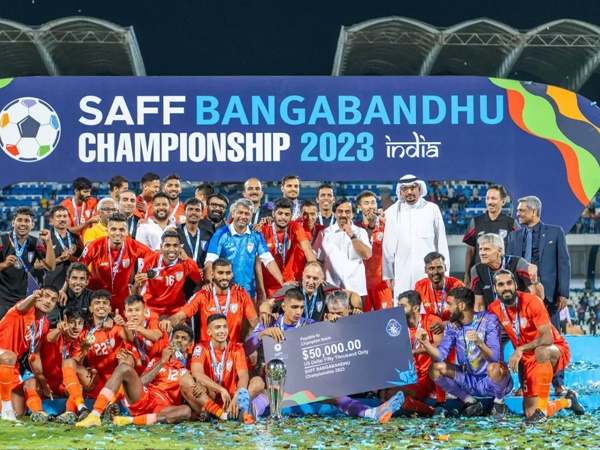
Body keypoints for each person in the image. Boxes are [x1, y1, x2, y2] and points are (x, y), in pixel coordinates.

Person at [245, 296, 405, 424]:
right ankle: (250, 412)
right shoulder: (269, 323)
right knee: (263, 388)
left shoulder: (308, 324)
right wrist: (261, 335)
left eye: (301, 307)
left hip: (302, 382)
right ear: (284, 306)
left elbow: (330, 337)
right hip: (276, 382)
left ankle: (373, 413)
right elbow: (246, 349)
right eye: (294, 307)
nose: (298, 312)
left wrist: (332, 323)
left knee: (334, 394)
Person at [488, 270, 585, 423]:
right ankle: (568, 401)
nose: (506, 288)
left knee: (541, 352)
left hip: (553, 348)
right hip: (527, 360)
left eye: (509, 283)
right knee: (529, 413)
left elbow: (547, 338)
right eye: (501, 284)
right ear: (495, 289)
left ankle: (541, 411)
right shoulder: (494, 309)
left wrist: (520, 349)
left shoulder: (532, 301)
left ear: (515, 285)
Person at [418, 286, 514, 420]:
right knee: (435, 369)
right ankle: (471, 402)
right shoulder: (453, 325)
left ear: (462, 306)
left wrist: (480, 343)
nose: (447, 308)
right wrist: (426, 343)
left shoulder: (489, 320)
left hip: (491, 380)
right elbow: (440, 355)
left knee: (495, 368)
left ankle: (499, 402)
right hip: (469, 380)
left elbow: (495, 357)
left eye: (450, 304)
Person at [77, 324, 194, 428]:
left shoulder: (189, 368)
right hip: (145, 398)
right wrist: (162, 362)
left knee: (185, 411)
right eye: (176, 337)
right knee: (124, 367)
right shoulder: (156, 360)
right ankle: (95, 415)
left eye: (183, 339)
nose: (179, 341)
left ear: (190, 345)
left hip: (164, 408)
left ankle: (130, 421)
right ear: (171, 340)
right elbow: (142, 382)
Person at [179, 314, 265, 423]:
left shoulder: (237, 348)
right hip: (211, 396)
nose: (222, 331)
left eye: (225, 327)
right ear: (209, 332)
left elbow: (243, 376)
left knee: (258, 382)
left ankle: (233, 409)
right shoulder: (201, 347)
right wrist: (221, 389)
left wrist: (237, 396)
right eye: (217, 327)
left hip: (231, 397)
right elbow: (197, 373)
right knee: (185, 380)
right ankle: (221, 413)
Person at [507, 196, 570, 332]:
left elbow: (563, 264)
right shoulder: (513, 236)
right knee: (525, 334)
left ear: (533, 212)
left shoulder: (555, 232)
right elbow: (509, 266)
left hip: (548, 296)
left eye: (521, 210)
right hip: (521, 294)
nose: (517, 214)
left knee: (552, 335)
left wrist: (563, 293)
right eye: (518, 210)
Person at [382, 174, 450, 300]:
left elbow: (441, 242)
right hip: (402, 272)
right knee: (403, 306)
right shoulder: (391, 213)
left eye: (412, 188)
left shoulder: (432, 209)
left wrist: (445, 272)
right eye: (405, 189)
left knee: (428, 306)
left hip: (429, 272)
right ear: (400, 191)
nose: (409, 192)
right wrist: (388, 274)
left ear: (420, 188)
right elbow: (387, 247)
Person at [63, 290, 127, 422]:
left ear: (109, 308)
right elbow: (75, 365)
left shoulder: (117, 329)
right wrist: (83, 353)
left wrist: (123, 325)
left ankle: (110, 405)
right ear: (91, 309)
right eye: (97, 303)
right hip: (95, 381)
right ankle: (81, 408)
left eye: (104, 303)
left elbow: (131, 343)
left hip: (115, 384)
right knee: (68, 363)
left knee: (127, 364)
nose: (101, 305)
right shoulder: (84, 334)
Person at [160, 258, 258, 343]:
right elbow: (179, 316)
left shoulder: (241, 293)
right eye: (220, 273)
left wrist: (265, 323)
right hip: (206, 349)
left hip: (232, 349)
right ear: (212, 274)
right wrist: (168, 321)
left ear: (232, 274)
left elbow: (254, 321)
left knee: (253, 354)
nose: (224, 277)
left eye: (228, 273)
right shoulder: (203, 294)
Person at [379, 290, 445, 417]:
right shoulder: (396, 327)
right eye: (398, 305)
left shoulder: (432, 320)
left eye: (402, 306)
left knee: (392, 393)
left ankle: (433, 410)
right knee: (385, 392)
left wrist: (414, 351)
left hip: (428, 377)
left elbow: (439, 345)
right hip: (407, 377)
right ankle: (431, 411)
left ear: (415, 307)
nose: (398, 309)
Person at [204, 199, 285, 300]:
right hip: (225, 291)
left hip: (249, 292)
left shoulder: (256, 235)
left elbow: (268, 260)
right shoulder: (221, 234)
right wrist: (208, 283)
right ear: (233, 213)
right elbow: (210, 260)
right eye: (240, 212)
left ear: (251, 216)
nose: (243, 216)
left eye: (247, 214)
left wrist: (283, 283)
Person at [0, 288, 57, 421]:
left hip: (11, 366)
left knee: (19, 411)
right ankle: (6, 411)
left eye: (53, 300)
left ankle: (35, 412)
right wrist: (33, 297)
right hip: (4, 357)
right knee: (9, 356)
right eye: (46, 296)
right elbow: (22, 305)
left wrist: (43, 383)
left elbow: (35, 354)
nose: (49, 301)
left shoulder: (44, 324)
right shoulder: (25, 310)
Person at [80, 213, 151, 312]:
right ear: (108, 231)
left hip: (121, 297)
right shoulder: (95, 246)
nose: (117, 233)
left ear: (127, 232)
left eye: (121, 230)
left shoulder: (134, 246)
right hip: (96, 296)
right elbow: (78, 268)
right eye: (113, 229)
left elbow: (156, 259)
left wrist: (147, 274)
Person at [26, 307, 87, 423]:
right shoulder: (55, 334)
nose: (76, 327)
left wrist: (83, 353)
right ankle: (38, 413)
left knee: (78, 386)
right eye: (72, 322)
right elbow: (49, 338)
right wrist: (59, 329)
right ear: (65, 322)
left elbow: (75, 364)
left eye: (80, 323)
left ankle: (70, 413)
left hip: (62, 384)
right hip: (45, 382)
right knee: (29, 383)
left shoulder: (80, 342)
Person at [259, 261, 362, 324]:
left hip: (316, 337)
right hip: (292, 335)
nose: (311, 282)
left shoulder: (326, 289)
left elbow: (353, 295)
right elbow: (267, 304)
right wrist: (265, 313)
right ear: (303, 275)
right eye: (308, 277)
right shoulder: (292, 289)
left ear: (322, 279)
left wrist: (357, 308)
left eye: (315, 278)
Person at [0, 207, 56, 319]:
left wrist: (48, 242)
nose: (23, 224)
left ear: (32, 225)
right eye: (19, 220)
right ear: (13, 223)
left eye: (27, 221)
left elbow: (51, 266)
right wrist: (4, 264)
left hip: (21, 301)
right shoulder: (2, 240)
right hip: (1, 299)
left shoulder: (35, 242)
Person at [134, 230, 202, 318]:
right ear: (161, 247)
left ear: (180, 247)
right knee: (152, 326)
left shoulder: (187, 262)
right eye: (167, 245)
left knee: (183, 327)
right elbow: (138, 287)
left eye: (175, 245)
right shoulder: (148, 262)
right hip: (152, 306)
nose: (172, 249)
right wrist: (136, 285)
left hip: (176, 306)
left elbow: (200, 283)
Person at [314, 197, 371, 297]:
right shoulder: (324, 234)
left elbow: (367, 255)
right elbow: (317, 260)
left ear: (353, 214)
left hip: (356, 290)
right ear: (335, 213)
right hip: (331, 289)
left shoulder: (361, 232)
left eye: (347, 212)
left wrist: (351, 234)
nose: (343, 215)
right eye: (340, 211)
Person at [463, 185, 519, 286]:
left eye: (493, 198)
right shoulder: (476, 222)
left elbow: (519, 249)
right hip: (480, 275)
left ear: (503, 201)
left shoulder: (511, 223)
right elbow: (470, 251)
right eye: (487, 198)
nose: (489, 202)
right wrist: (467, 275)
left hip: (504, 275)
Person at [470, 233, 543, 311]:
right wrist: (480, 319)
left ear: (499, 251)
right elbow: (479, 303)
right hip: (495, 314)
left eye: (487, 249)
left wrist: (534, 280)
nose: (482, 253)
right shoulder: (476, 270)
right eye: (480, 249)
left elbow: (538, 298)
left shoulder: (518, 263)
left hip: (521, 312)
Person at [260, 197, 315, 297]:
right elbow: (257, 264)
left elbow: (307, 250)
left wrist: (315, 274)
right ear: (273, 213)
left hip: (289, 285)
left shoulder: (295, 227)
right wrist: (261, 293)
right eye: (280, 213)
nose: (283, 217)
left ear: (291, 215)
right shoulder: (263, 230)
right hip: (267, 286)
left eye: (287, 214)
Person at [355, 190, 392, 311]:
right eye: (366, 203)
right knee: (363, 320)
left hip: (382, 284)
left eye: (373, 202)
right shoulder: (355, 228)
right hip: (362, 285)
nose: (370, 206)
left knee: (386, 319)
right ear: (359, 207)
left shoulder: (385, 225)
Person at [414, 252, 463, 330]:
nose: (435, 272)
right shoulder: (420, 286)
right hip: (432, 329)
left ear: (445, 268)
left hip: (454, 328)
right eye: (431, 268)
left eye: (439, 268)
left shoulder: (456, 285)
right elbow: (413, 311)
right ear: (425, 270)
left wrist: (447, 324)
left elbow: (466, 314)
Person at [42, 205, 83, 291]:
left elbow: (83, 262)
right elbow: (37, 264)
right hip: (52, 285)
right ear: (51, 221)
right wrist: (59, 259)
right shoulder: (45, 239)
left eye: (65, 216)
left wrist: (71, 257)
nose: (62, 219)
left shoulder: (76, 238)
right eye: (58, 216)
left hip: (73, 286)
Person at [49, 262, 94, 327]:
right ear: (67, 280)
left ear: (87, 282)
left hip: (86, 332)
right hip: (63, 331)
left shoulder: (92, 296)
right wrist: (60, 324)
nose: (78, 282)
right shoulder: (58, 297)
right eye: (74, 278)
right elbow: (50, 321)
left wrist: (108, 319)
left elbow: (104, 313)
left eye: (82, 279)